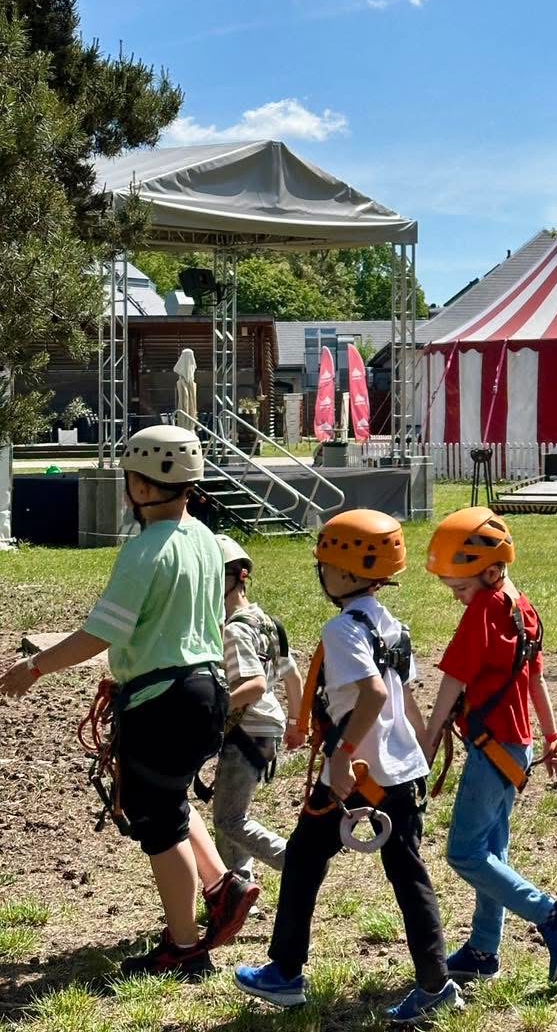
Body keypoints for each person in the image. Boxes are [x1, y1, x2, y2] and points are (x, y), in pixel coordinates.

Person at [0, 424, 259, 980]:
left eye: (130, 479)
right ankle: (221, 889)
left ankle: (185, 946)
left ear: (142, 487)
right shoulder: (204, 540)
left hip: (161, 699)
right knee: (168, 799)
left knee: (157, 826)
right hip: (207, 691)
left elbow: (101, 634)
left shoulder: (145, 550)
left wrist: (35, 666)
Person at [234, 509, 463, 1024]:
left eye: (324, 565)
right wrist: (422, 748)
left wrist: (341, 756)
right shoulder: (393, 626)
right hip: (398, 773)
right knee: (402, 875)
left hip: (359, 775)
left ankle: (286, 973)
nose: (321, 573)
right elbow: (404, 696)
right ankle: (433, 982)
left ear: (342, 572)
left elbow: (375, 693)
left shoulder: (341, 630)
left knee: (305, 861)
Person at [423, 506, 557, 986]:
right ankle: (483, 951)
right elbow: (536, 682)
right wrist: (553, 738)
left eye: (461, 587)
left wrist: (427, 744)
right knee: (491, 850)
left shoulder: (485, 609)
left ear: (491, 570)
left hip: (493, 749)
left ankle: (550, 914)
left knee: (465, 854)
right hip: (517, 749)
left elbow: (453, 682)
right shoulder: (522, 606)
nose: (458, 598)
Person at [210, 534, 305, 881]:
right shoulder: (264, 622)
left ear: (235, 579)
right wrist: (297, 723)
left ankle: (295, 862)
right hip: (266, 728)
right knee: (229, 815)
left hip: (246, 731)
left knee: (229, 820)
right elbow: (292, 675)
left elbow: (254, 685)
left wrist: (214, 709)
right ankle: (239, 887)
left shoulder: (235, 631)